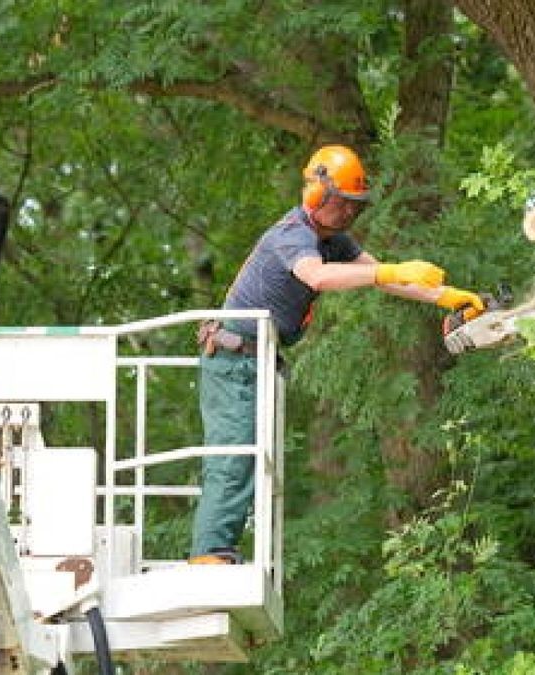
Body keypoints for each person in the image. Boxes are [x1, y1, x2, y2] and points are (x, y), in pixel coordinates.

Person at [189, 145, 484, 564]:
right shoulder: (293, 234)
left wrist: (448, 298)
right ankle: (209, 555)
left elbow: (386, 279)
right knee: (233, 453)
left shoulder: (334, 241)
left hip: (257, 359)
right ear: (315, 194)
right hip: (234, 359)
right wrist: (388, 271)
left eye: (354, 207)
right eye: (341, 203)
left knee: (252, 459)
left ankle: (219, 550)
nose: (347, 214)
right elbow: (319, 276)